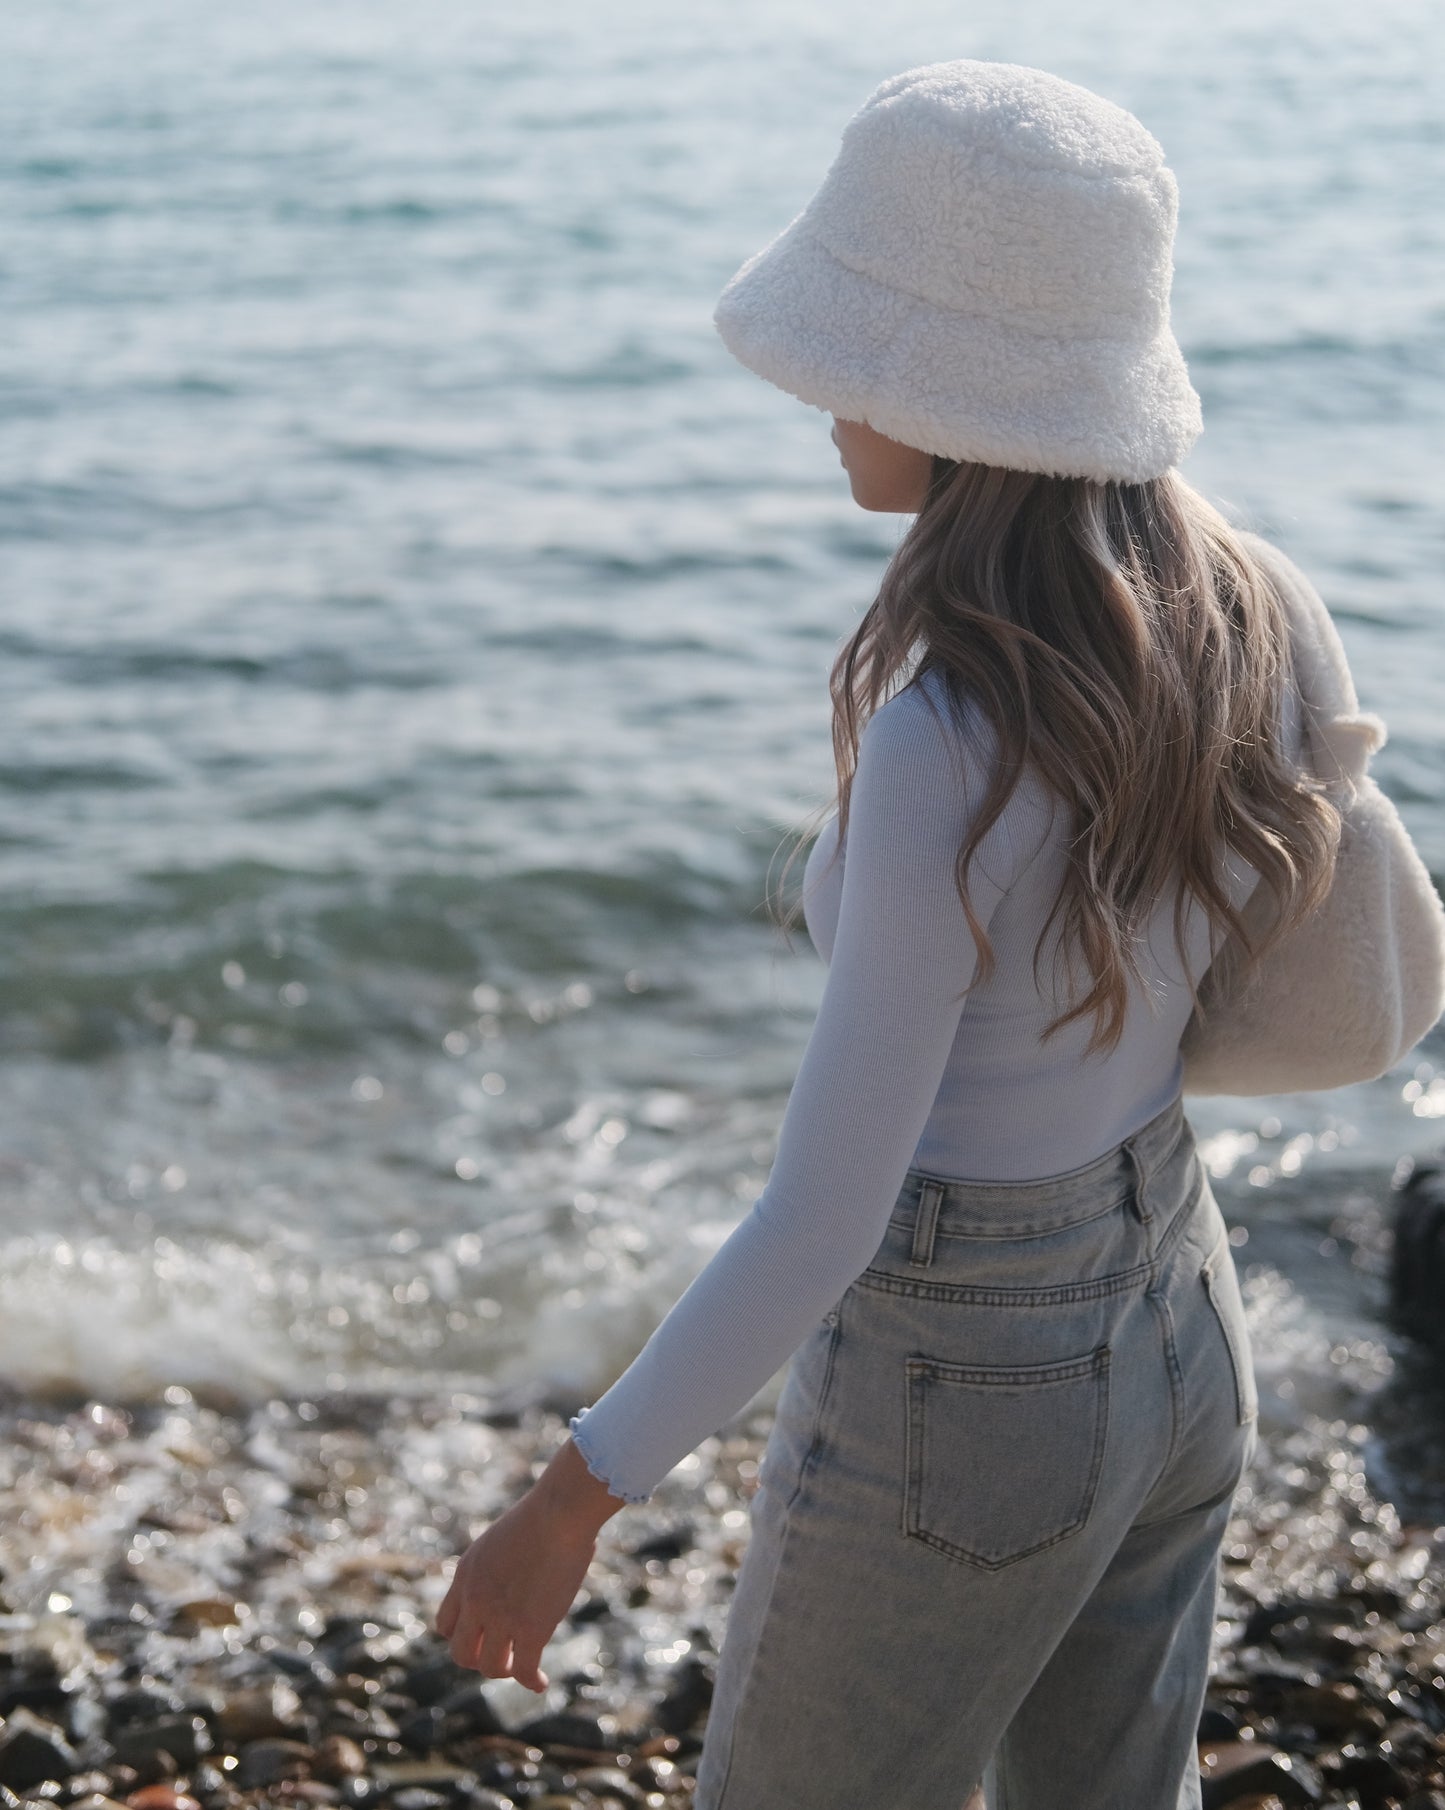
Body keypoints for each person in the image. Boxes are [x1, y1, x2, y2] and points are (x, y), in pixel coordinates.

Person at [436, 58, 1363, 1810]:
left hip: (969, 1380)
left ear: (958, 399)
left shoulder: (950, 732)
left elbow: (824, 1216)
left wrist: (570, 1499)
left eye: (857, 357)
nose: (822, 401)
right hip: (1177, 1313)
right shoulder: (1230, 600)